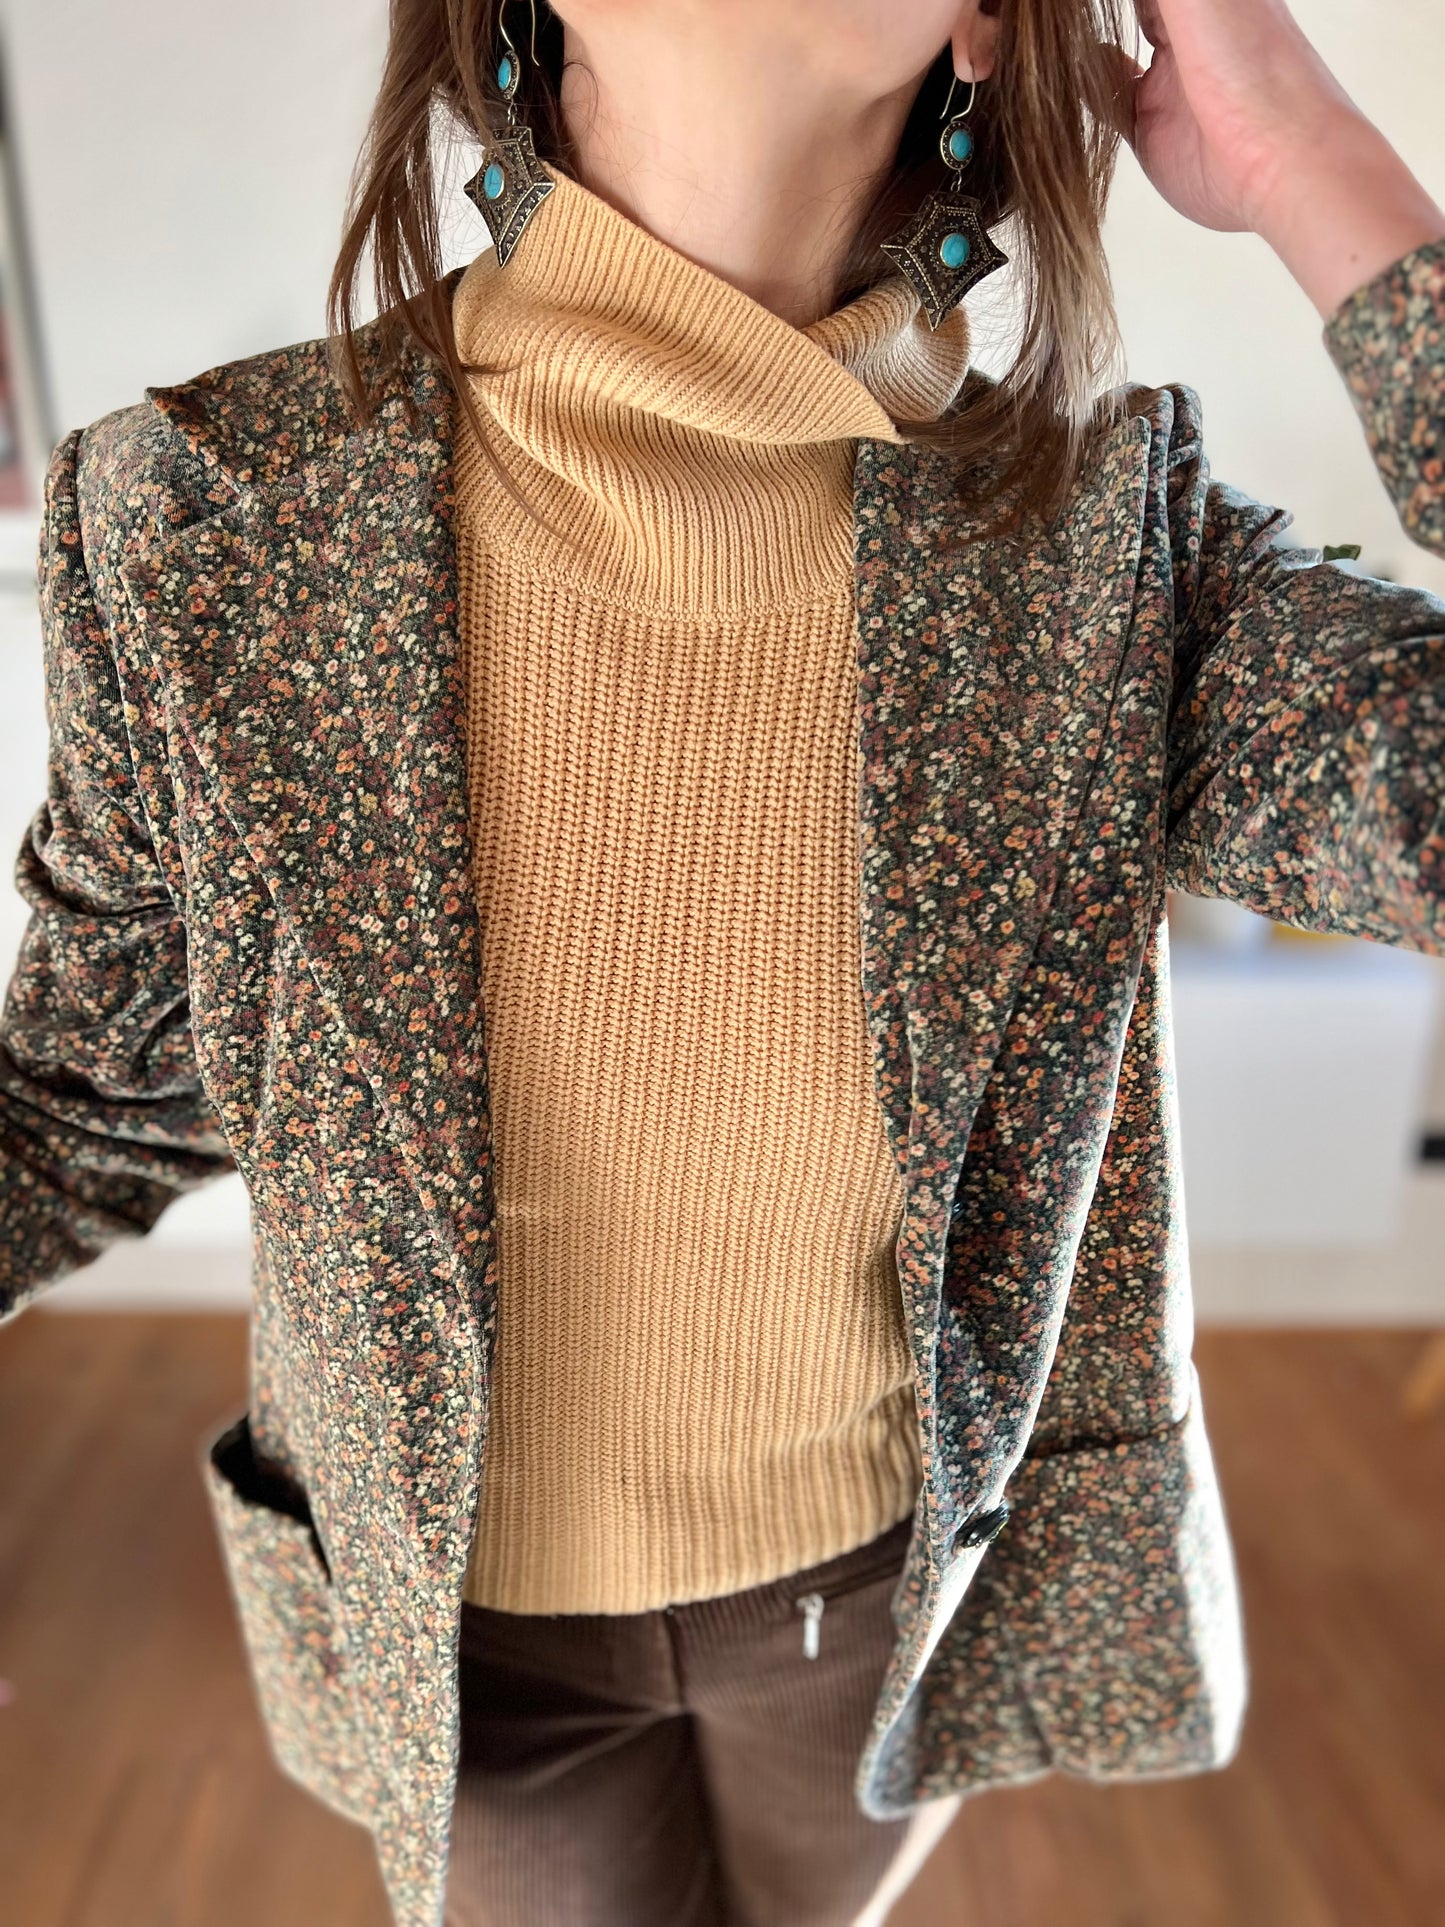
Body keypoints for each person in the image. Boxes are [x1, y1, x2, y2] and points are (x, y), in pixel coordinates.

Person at [1, 1, 1442, 1923]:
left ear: (991, 28)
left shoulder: (1108, 551)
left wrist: (1313, 170)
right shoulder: (202, 525)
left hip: (873, 1604)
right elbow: (82, 1094)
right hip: (467, 1652)